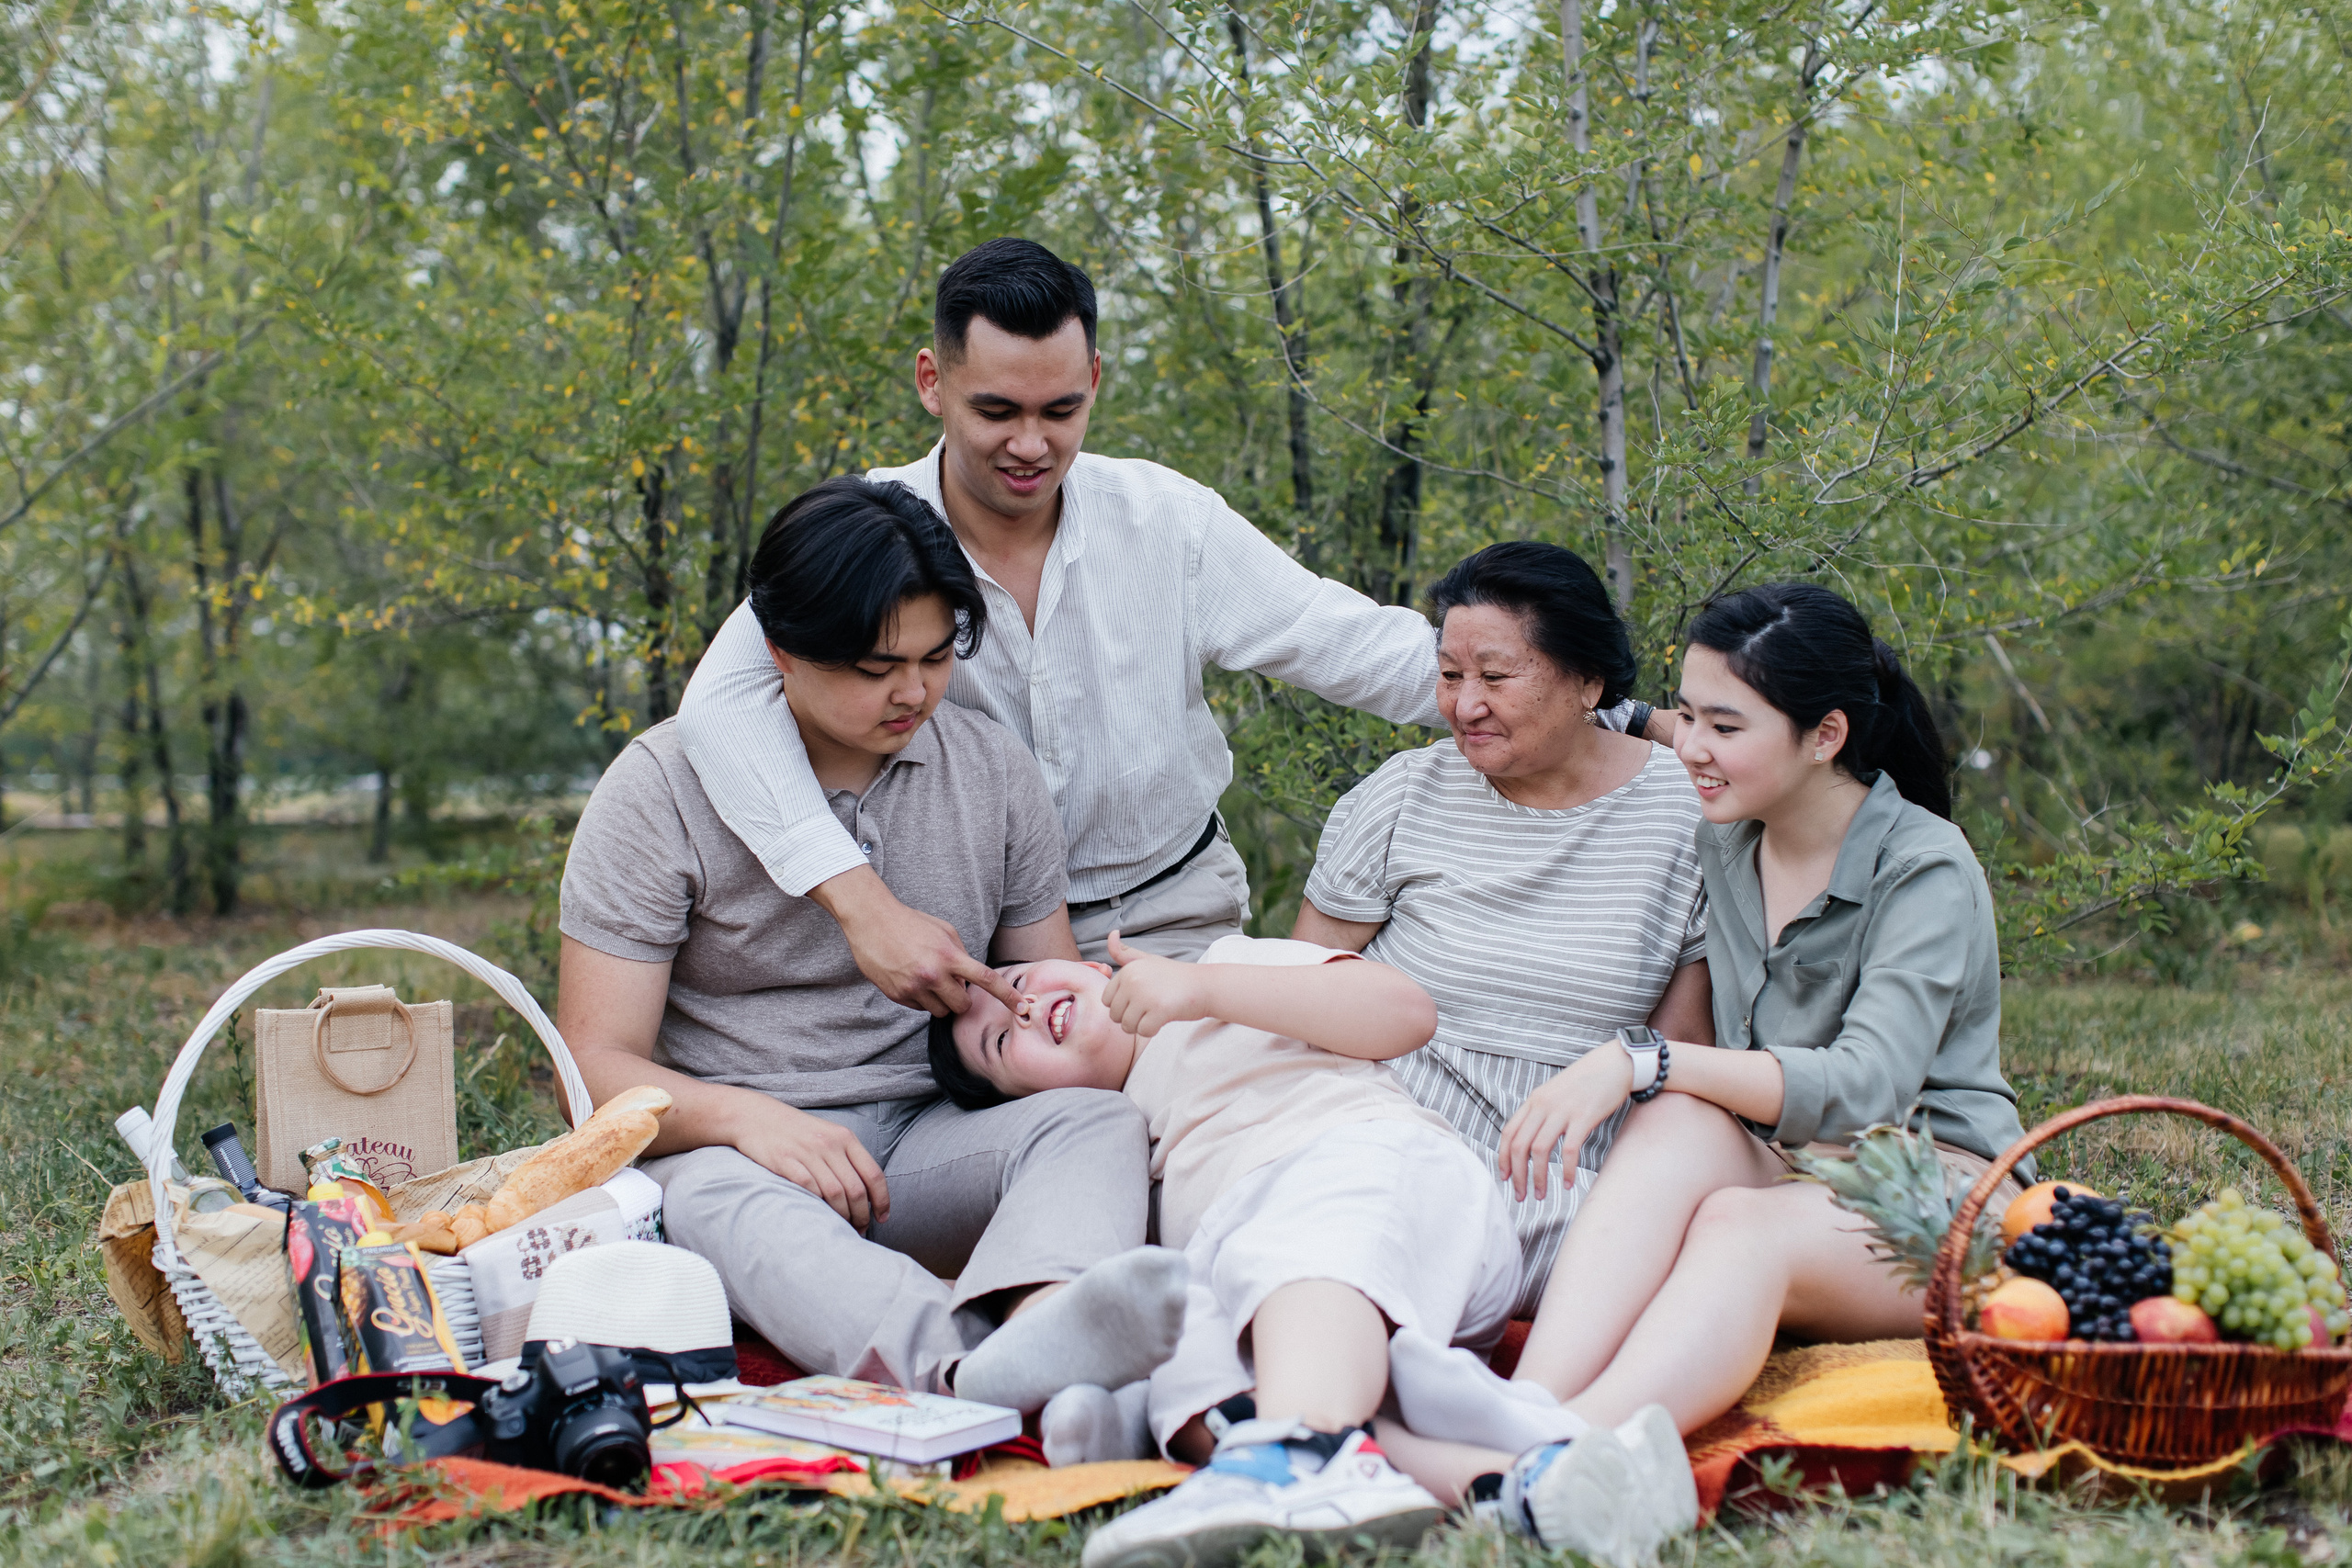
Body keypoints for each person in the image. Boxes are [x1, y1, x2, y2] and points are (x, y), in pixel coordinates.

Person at [676, 238, 1668, 1008]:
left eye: (1061, 410)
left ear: (1097, 382)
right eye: (997, 411)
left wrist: (1616, 712)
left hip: (1173, 917)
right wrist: (863, 906)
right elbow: (720, 704)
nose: (1031, 444)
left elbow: (1352, 644)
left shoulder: (1168, 522)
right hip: (961, 935)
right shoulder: (870, 531)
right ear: (932, 382)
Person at [1370, 581, 2030, 1559]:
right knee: (1675, 1120)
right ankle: (1529, 1404)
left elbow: (1865, 1087)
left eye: (1725, 726)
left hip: (1935, 1192)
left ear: (1826, 735)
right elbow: (1649, 721)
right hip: (1797, 1161)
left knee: (1732, 1214)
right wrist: (1616, 708)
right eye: (1691, 716)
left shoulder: (1923, 867)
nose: (1693, 747)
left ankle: (1562, 1451)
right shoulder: (1732, 837)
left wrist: (1642, 1058)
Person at [556, 476, 1185, 1409]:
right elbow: (590, 1069)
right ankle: (964, 1371)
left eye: (936, 657)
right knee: (699, 1199)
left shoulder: (990, 770)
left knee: (1093, 1122)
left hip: (935, 1139)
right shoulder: (658, 790)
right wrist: (746, 1120)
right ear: (780, 653)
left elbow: (1044, 986)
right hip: (746, 1153)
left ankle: (1051, 1327)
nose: (913, 691)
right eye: (874, 667)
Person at [934, 929, 1677, 1568]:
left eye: (1017, 982)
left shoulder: (1223, 972)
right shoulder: (1105, 1143)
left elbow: (1406, 1013)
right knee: (1181, 1346)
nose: (1021, 1008)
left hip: (1375, 1176)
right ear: (1034, 1105)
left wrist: (1201, 988)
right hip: (1306, 1302)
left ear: (1094, 966)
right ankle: (1521, 1482)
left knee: (1295, 1240)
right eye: (1001, 1042)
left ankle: (1292, 1454)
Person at [1292, 541, 1712, 1304]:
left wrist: (1632, 1195)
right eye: (1450, 675)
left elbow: (1678, 1057)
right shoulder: (1406, 792)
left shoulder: (1688, 820)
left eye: (1494, 676)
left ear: (1588, 682)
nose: (1464, 705)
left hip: (1557, 1182)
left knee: (1679, 1262)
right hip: (1378, 1136)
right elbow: (1300, 992)